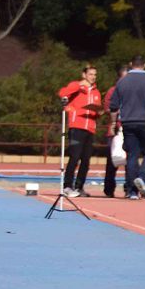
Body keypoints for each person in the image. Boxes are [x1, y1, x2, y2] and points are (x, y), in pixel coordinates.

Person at [109, 55, 145, 200]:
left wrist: (113, 123)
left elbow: (113, 106)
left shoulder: (122, 82)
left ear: (131, 64)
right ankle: (143, 177)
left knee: (132, 155)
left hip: (128, 122)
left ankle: (132, 191)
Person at [57, 65, 102, 197]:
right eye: (90, 74)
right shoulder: (76, 86)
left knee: (86, 160)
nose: (93, 77)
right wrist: (78, 85)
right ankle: (67, 186)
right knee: (74, 157)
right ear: (84, 75)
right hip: (77, 126)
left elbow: (97, 111)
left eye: (95, 74)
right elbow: (62, 93)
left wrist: (99, 112)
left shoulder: (96, 92)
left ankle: (79, 187)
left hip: (90, 128)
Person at [103, 65, 128, 198]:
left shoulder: (132, 91)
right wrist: (116, 111)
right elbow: (107, 107)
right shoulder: (112, 91)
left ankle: (129, 188)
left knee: (130, 160)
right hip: (115, 130)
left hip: (129, 129)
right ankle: (109, 189)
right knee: (112, 161)